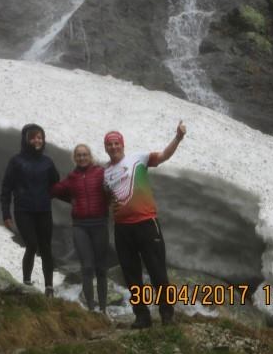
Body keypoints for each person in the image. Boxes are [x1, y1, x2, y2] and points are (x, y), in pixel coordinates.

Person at [103, 121, 186, 328]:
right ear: (106, 147)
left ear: (122, 145)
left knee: (157, 270)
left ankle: (167, 313)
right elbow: (107, 199)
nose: (113, 147)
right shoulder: (105, 173)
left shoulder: (137, 158)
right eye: (109, 144)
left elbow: (163, 157)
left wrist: (178, 137)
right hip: (122, 229)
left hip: (146, 224)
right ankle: (142, 316)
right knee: (132, 275)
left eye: (116, 143)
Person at [0, 123, 60, 296]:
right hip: (23, 210)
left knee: (46, 247)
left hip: (43, 210)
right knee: (32, 244)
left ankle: (49, 287)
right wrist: (5, 213)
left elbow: (56, 184)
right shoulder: (16, 161)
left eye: (40, 137)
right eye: (33, 137)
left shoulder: (47, 162)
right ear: (26, 139)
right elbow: (6, 188)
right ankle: (26, 282)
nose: (37, 140)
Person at [51, 144, 110, 313]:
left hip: (99, 224)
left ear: (90, 156)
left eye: (85, 154)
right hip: (80, 226)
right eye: (79, 155)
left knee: (101, 268)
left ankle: (104, 309)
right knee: (87, 267)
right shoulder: (72, 178)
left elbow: (113, 188)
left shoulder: (100, 173)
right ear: (74, 158)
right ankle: (92, 309)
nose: (82, 157)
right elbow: (55, 190)